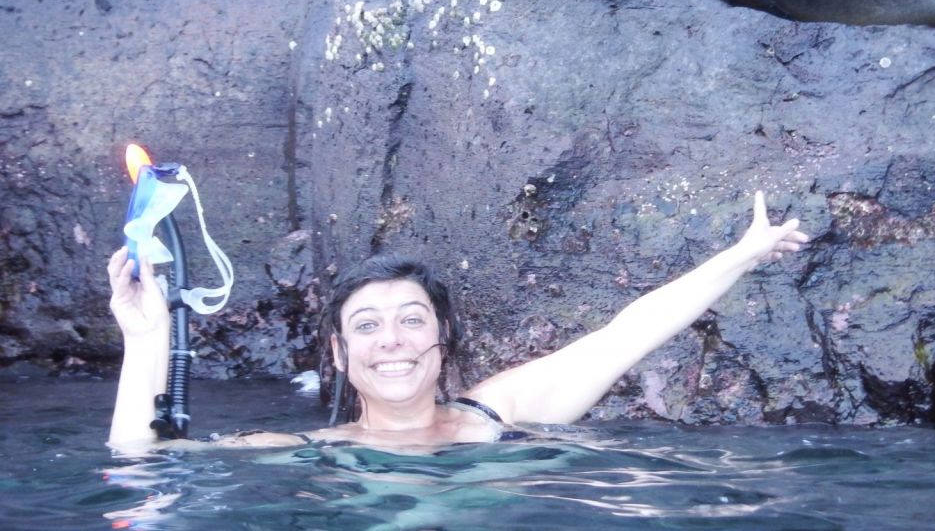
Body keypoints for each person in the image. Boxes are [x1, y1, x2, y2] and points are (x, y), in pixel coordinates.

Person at [106, 191, 809, 451]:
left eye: (412, 320)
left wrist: (744, 255)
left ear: (442, 340)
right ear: (340, 351)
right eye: (368, 325)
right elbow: (141, 462)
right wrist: (143, 340)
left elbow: (626, 333)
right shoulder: (305, 446)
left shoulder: (498, 415)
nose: (393, 342)